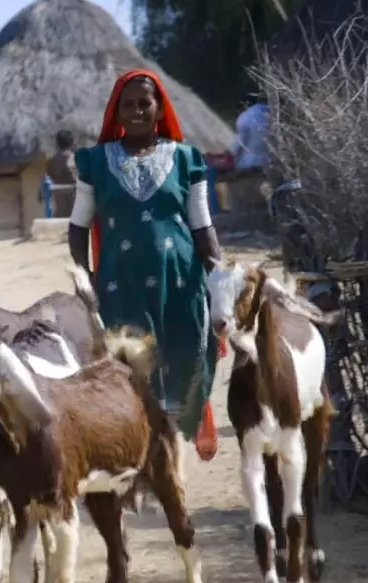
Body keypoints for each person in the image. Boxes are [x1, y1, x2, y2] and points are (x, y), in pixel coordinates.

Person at [68, 69, 222, 461]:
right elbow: (78, 226)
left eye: (144, 103)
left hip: (180, 286)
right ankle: (139, 463)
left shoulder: (187, 160)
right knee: (129, 373)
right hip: (119, 286)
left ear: (159, 109)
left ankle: (169, 463)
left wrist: (218, 275)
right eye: (128, 104)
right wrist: (83, 276)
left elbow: (202, 226)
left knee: (180, 364)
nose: (137, 111)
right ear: (116, 113)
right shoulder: (96, 163)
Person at [231, 93, 270, 175]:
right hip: (272, 164)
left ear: (246, 104)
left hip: (251, 164)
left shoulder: (245, 117)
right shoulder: (271, 114)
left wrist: (231, 158)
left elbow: (240, 144)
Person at [45, 130, 79, 217]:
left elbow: (49, 180)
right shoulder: (75, 160)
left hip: (60, 212)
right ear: (72, 143)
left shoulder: (51, 162)